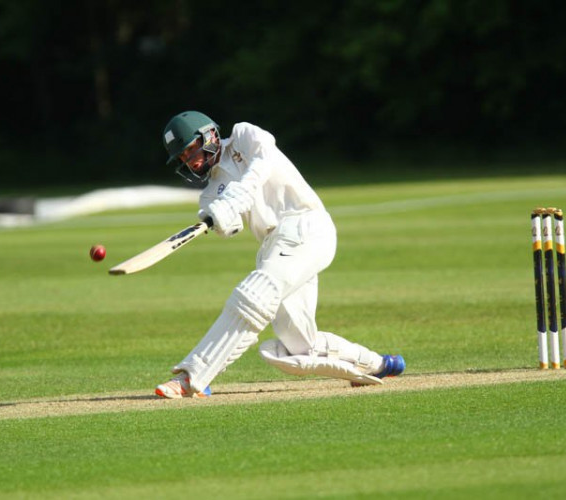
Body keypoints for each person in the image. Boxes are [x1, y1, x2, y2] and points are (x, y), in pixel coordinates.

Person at [154, 111, 405, 398]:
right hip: (275, 246)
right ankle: (378, 364)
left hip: (306, 226)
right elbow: (230, 227)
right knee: (297, 344)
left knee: (253, 295)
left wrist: (239, 195)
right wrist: (218, 215)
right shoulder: (209, 194)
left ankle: (193, 376)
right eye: (183, 158)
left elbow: (264, 160)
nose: (190, 160)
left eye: (190, 150)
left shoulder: (243, 136)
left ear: (208, 136)